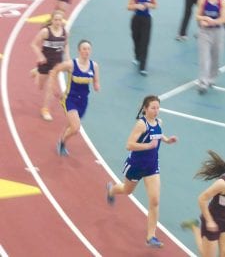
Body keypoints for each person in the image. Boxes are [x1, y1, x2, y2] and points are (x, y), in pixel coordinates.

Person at [106, 95, 177, 248]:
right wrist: (147, 146)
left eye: (158, 108)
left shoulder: (159, 122)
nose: (156, 111)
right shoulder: (141, 124)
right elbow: (129, 145)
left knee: (155, 201)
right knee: (126, 190)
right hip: (136, 165)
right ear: (145, 108)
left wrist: (167, 140)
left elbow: (158, 135)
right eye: (153, 108)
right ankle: (112, 190)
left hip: (152, 166)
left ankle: (151, 236)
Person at [48, 40, 100, 156]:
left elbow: (96, 80)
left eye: (88, 49)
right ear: (79, 50)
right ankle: (61, 142)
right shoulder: (71, 64)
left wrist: (97, 85)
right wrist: (54, 88)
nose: (86, 51)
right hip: (70, 99)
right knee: (76, 127)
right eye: (84, 49)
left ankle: (62, 141)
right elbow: (54, 71)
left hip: (83, 101)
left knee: (72, 125)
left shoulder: (94, 66)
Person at [181, 150, 225, 257]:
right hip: (213, 220)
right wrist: (209, 221)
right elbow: (202, 199)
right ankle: (195, 227)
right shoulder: (222, 184)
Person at [31, 9, 69, 121]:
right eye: (56, 20)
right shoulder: (45, 32)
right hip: (45, 63)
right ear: (52, 20)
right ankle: (37, 71)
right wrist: (40, 56)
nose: (58, 22)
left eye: (60, 20)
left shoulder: (65, 32)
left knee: (50, 87)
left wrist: (67, 57)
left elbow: (66, 45)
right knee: (40, 86)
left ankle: (45, 109)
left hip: (56, 64)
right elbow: (33, 44)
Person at [196, 0, 225, 94]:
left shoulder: (222, 1)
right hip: (204, 32)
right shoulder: (202, 0)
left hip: (217, 31)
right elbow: (197, 15)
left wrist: (211, 21)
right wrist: (203, 19)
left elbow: (223, 19)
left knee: (215, 56)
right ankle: (203, 82)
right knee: (204, 57)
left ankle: (212, 77)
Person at [127, 0, 157, 76]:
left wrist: (150, 5)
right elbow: (128, 6)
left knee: (145, 42)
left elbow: (155, 5)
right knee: (136, 39)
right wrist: (137, 6)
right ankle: (137, 56)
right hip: (136, 19)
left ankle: (143, 67)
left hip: (146, 20)